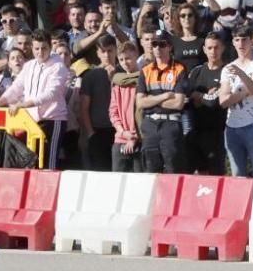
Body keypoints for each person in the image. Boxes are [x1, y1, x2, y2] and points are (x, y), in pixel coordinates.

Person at [0, 30, 72, 169]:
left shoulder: (58, 66)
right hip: (32, 121)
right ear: (32, 48)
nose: (40, 52)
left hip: (53, 119)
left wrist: (23, 105)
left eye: (44, 48)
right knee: (32, 161)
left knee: (49, 163)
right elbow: (15, 88)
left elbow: (51, 93)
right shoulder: (29, 66)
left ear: (50, 47)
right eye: (37, 48)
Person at [219, 24, 253, 177]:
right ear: (233, 42)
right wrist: (243, 92)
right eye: (237, 40)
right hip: (232, 126)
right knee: (237, 175)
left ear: (251, 41)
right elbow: (223, 100)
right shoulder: (228, 68)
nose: (241, 44)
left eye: (244, 39)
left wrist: (241, 75)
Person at [135, 30, 187, 173]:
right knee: (150, 168)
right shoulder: (145, 71)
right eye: (154, 44)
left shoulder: (179, 69)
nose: (157, 48)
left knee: (173, 167)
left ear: (169, 46)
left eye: (162, 44)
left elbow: (178, 103)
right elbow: (140, 103)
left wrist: (150, 100)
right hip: (150, 124)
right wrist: (163, 97)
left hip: (170, 124)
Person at [186, 32, 227, 175]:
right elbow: (187, 96)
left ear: (223, 48)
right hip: (198, 131)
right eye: (209, 48)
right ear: (204, 49)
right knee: (201, 177)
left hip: (219, 133)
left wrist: (198, 96)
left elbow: (215, 102)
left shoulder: (227, 71)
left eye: (216, 48)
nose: (213, 52)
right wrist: (205, 96)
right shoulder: (196, 72)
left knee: (217, 176)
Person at [79, 36, 115, 171]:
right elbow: (84, 108)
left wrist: (113, 78)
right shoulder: (90, 76)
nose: (107, 55)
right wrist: (90, 133)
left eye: (110, 51)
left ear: (116, 50)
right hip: (98, 131)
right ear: (98, 53)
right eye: (103, 51)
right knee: (100, 172)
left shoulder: (123, 73)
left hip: (119, 131)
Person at [109, 41, 142, 172]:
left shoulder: (143, 79)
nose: (125, 62)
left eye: (128, 58)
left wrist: (133, 136)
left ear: (136, 56)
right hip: (120, 138)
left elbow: (142, 112)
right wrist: (122, 132)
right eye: (121, 59)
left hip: (140, 139)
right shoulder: (117, 82)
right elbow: (113, 111)